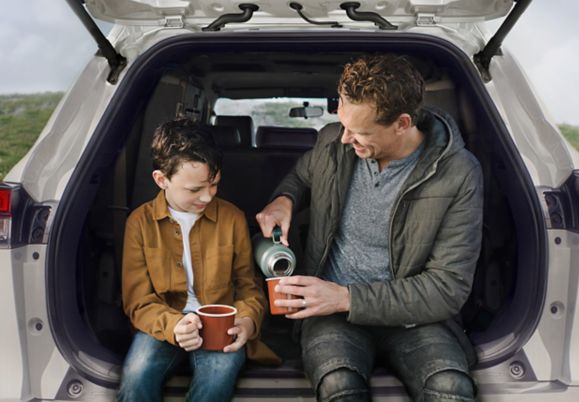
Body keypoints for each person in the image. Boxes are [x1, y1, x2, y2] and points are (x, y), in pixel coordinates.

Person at [256, 54, 483, 402]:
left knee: (451, 387)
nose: (345, 139)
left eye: (359, 132)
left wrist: (346, 297)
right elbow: (301, 176)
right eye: (343, 124)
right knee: (338, 386)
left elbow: (446, 288)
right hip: (330, 317)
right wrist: (284, 200)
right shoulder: (333, 142)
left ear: (402, 123)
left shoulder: (459, 173)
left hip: (415, 319)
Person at [118, 118, 279, 402]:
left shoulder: (232, 218)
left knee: (218, 377)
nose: (207, 196)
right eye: (194, 190)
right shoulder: (140, 223)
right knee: (137, 374)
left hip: (220, 323)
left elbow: (248, 287)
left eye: (214, 184)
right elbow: (138, 301)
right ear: (161, 179)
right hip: (162, 321)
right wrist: (173, 326)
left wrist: (246, 322)